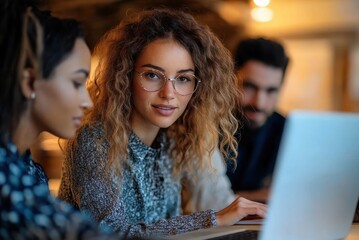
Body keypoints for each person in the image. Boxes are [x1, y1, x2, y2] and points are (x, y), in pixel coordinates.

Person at [58, 8, 267, 239]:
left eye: (183, 79)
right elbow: (113, 233)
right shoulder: (94, 141)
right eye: (152, 75)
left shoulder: (174, 141)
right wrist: (214, 218)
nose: (169, 93)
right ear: (125, 76)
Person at [0, 1, 121, 238]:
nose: (87, 102)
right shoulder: (5, 174)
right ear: (29, 82)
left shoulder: (27, 169)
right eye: (76, 83)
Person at [225, 37, 290, 201]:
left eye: (271, 91)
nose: (259, 103)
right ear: (230, 80)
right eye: (249, 86)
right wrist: (262, 195)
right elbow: (198, 201)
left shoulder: (289, 131)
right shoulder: (205, 126)